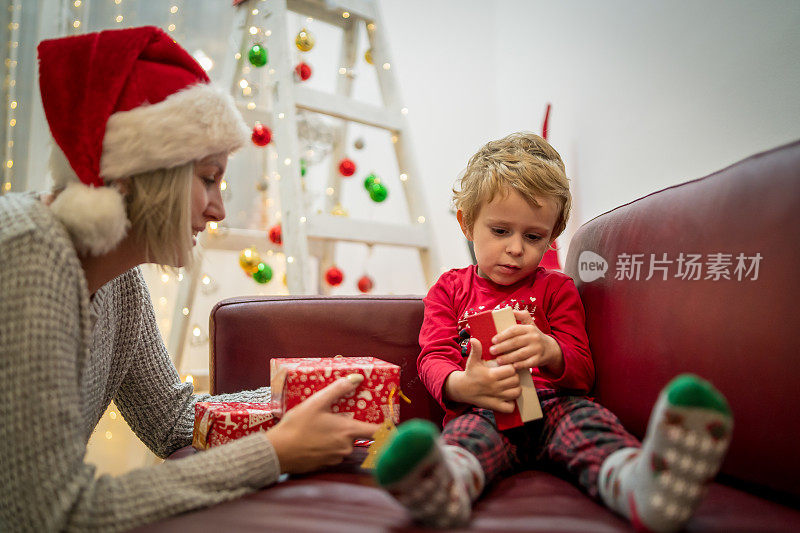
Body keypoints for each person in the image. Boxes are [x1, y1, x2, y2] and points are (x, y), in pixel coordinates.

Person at [0, 26, 378, 532]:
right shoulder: (28, 256)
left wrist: (290, 398)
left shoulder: (117, 281)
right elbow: (52, 514)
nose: (219, 208)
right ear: (136, 173)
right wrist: (273, 451)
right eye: (207, 178)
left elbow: (174, 419)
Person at [374, 132, 733, 531]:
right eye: (500, 231)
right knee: (465, 445)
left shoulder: (557, 288)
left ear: (551, 236)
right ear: (466, 223)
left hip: (557, 406)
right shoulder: (449, 289)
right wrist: (461, 385)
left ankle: (642, 486)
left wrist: (548, 349)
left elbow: (582, 371)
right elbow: (434, 357)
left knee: (593, 430)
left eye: (533, 237)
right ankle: (444, 487)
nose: (515, 249)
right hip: (487, 408)